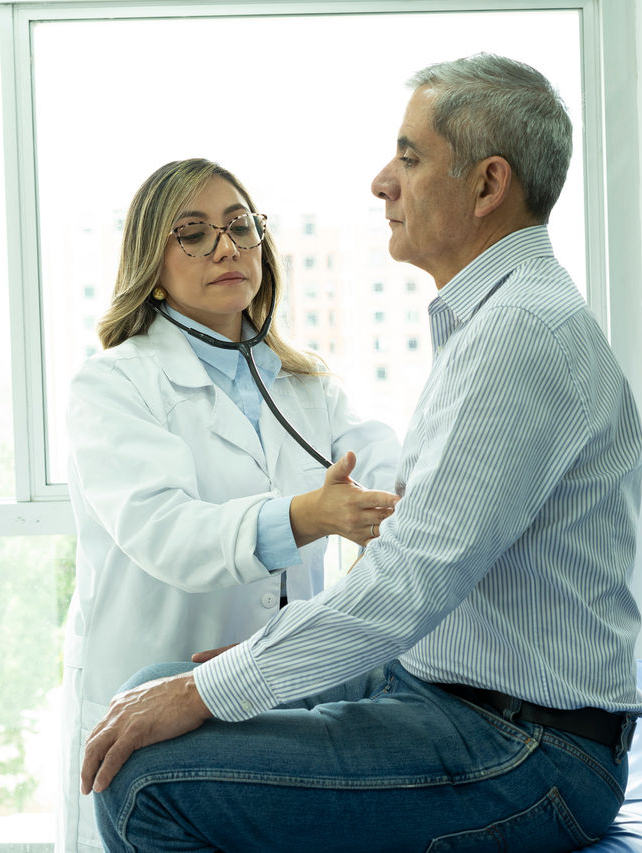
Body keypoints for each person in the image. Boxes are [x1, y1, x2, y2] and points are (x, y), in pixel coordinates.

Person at [80, 55, 642, 852]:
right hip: (457, 688)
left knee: (144, 783)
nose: (383, 182)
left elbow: (407, 574)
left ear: (486, 187)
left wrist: (222, 681)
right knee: (144, 697)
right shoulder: (490, 323)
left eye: (409, 158)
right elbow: (172, 528)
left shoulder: (520, 334)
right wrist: (228, 672)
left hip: (526, 744)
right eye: (194, 233)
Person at [59, 158, 400, 852]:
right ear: (151, 266)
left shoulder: (308, 387)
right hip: (148, 691)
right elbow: (170, 534)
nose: (226, 246)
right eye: (194, 233)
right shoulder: (113, 386)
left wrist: (388, 505)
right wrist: (313, 515)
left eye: (240, 226)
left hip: (272, 694)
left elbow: (381, 461)